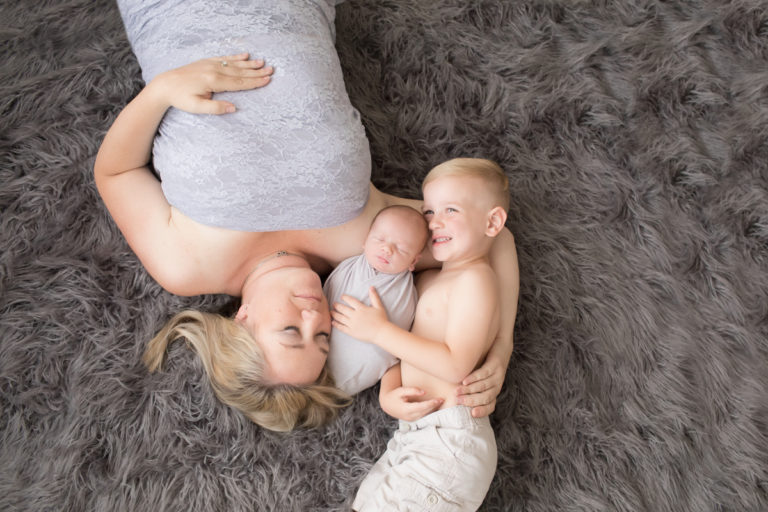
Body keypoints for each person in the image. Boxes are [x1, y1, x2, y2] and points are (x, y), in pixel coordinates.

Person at [95, 0, 519, 432]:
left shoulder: (186, 266)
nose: (315, 316)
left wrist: (161, 92)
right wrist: (500, 348)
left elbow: (115, 172)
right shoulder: (371, 243)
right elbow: (491, 237)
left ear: (243, 320)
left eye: (290, 331)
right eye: (321, 338)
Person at [331, 158, 509, 510]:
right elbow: (404, 353)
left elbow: (456, 364)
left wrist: (379, 330)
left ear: (492, 222)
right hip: (416, 436)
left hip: (451, 439)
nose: (434, 222)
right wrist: (388, 392)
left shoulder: (477, 279)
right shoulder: (425, 281)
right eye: (428, 211)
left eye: (450, 210)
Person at [324, 205, 428, 395]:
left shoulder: (408, 293)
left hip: (360, 374)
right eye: (379, 239)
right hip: (318, 361)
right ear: (365, 241)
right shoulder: (348, 269)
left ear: (414, 261)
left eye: (402, 248)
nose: (387, 249)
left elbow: (403, 342)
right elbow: (325, 298)